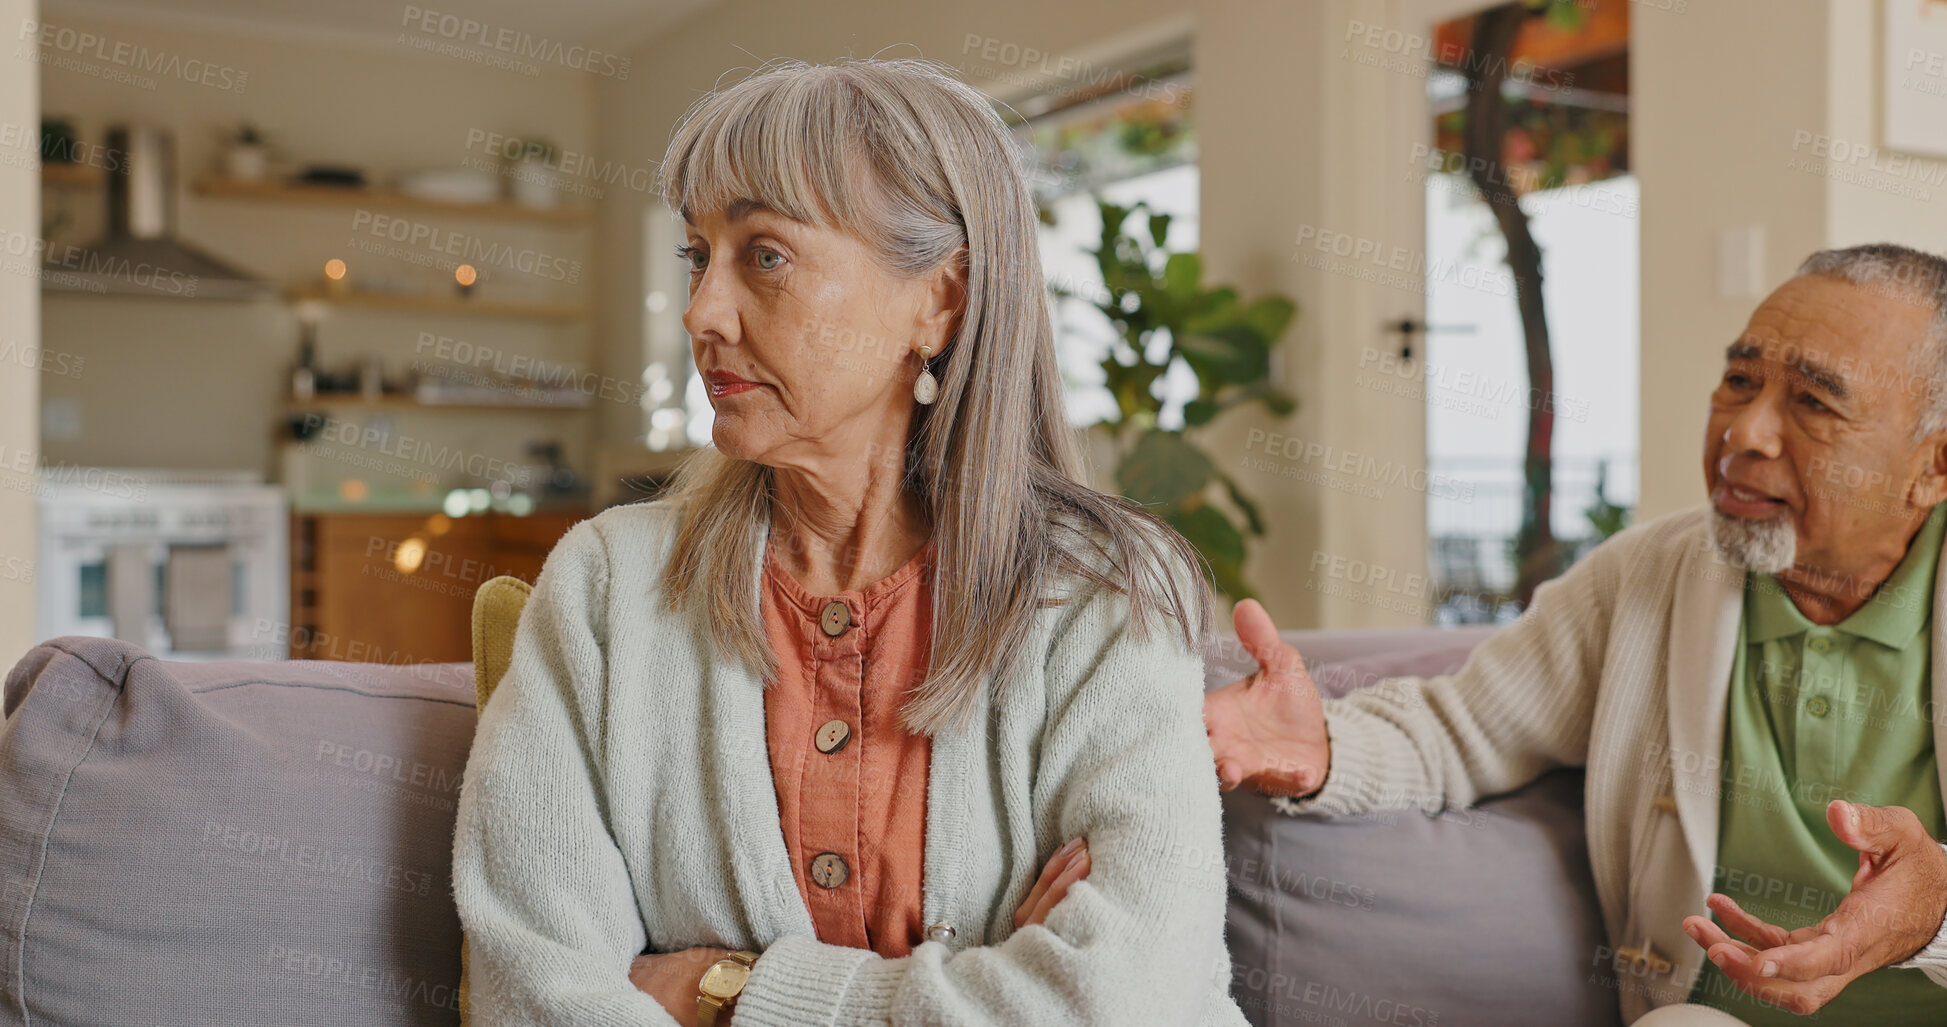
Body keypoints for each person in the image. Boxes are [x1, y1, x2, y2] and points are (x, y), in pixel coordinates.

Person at [452, 57, 1248, 1027]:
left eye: (766, 254)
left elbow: (1121, 1003)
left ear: (941, 300)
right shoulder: (605, 585)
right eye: (698, 255)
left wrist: (728, 995)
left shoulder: (1107, 594)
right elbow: (528, 996)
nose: (705, 311)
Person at [1205, 244, 1947, 1025]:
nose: (1746, 432)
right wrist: (1321, 747)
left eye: (1813, 403)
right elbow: (1461, 728)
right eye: (1738, 381)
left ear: (1932, 466)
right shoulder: (1647, 577)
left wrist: (1933, 913)